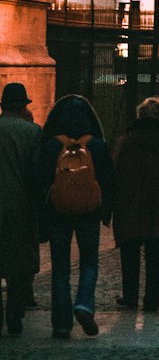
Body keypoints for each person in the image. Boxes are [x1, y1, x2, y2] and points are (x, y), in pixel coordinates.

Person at [37, 94, 115, 339]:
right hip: (89, 212)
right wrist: (106, 212)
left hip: (57, 212)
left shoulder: (50, 145)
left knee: (60, 268)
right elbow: (109, 181)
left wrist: (42, 213)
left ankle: (61, 323)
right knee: (89, 261)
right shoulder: (97, 146)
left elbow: (40, 180)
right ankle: (84, 304)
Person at [112, 96, 159, 314]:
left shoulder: (126, 140)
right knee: (157, 253)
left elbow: (114, 169)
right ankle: (153, 298)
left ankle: (130, 296)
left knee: (130, 251)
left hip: (130, 203)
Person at [0, 82, 41, 337]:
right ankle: (15, 313)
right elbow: (37, 176)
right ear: (23, 105)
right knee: (19, 267)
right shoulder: (33, 133)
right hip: (20, 207)